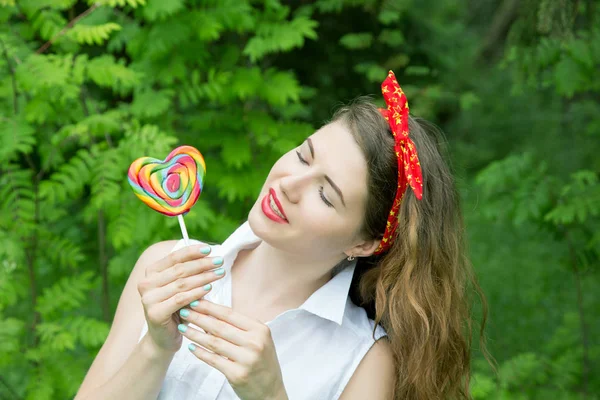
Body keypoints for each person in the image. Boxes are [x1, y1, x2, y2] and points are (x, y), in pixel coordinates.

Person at [75, 71, 490, 400]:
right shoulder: (165, 267)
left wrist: (269, 394)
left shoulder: (364, 359)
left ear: (363, 244)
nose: (290, 183)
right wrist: (155, 350)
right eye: (303, 155)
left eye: (325, 195)